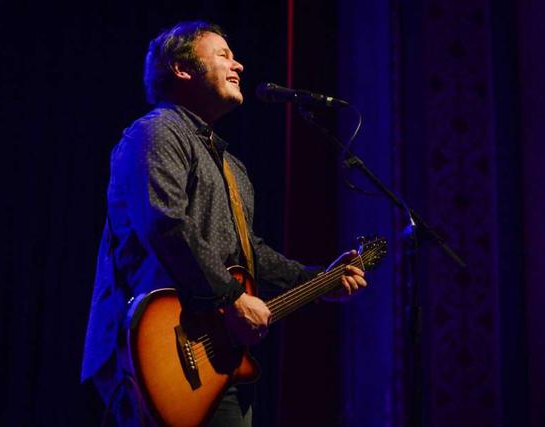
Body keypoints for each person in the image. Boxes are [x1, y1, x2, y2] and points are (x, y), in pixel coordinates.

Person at [81, 21, 367, 426]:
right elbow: (165, 224)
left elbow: (250, 253)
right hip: (154, 354)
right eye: (223, 55)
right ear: (182, 68)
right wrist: (233, 297)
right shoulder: (157, 131)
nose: (239, 65)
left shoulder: (232, 167)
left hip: (216, 359)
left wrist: (319, 280)